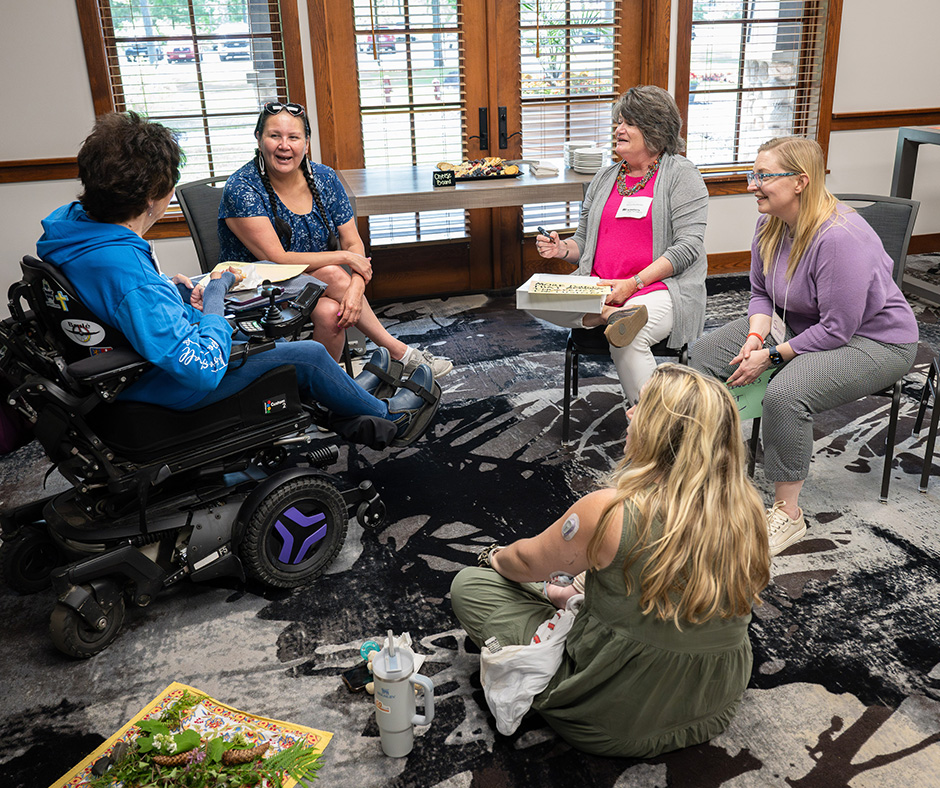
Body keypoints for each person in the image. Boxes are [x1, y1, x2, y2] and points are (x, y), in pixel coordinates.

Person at [35, 112, 438, 447]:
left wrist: (169, 292)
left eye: (294, 136)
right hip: (161, 388)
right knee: (307, 355)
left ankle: (348, 400)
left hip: (130, 367)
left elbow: (122, 299)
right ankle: (390, 419)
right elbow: (202, 368)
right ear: (158, 194)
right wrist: (213, 295)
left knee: (281, 338)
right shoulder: (127, 270)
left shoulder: (72, 227)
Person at [451, 364, 771, 758]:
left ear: (662, 430)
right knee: (570, 588)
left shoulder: (609, 511)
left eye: (641, 406)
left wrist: (492, 556)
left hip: (608, 721)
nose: (630, 413)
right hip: (711, 710)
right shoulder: (749, 509)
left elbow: (521, 562)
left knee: (471, 585)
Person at [690, 136, 919, 554]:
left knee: (786, 394)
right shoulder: (769, 222)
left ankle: (788, 513)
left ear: (800, 181)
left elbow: (837, 329)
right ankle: (713, 468)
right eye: (751, 174)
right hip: (798, 324)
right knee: (704, 356)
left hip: (874, 340)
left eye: (762, 176)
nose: (750, 185)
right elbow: (760, 293)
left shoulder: (839, 237)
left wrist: (771, 356)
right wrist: (756, 337)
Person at [218, 101, 452, 376]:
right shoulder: (242, 188)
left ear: (306, 142)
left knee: (332, 315)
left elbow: (353, 243)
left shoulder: (325, 179)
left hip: (314, 285)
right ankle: (401, 353)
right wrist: (344, 260)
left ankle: (316, 389)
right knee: (331, 271)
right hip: (256, 291)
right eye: (274, 136)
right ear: (259, 140)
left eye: (293, 137)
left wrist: (355, 288)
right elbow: (278, 259)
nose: (284, 145)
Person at [529, 85, 708, 405]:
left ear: (655, 129)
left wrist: (633, 283)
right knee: (532, 296)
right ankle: (610, 314)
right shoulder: (604, 177)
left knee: (630, 338)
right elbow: (583, 241)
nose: (618, 129)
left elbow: (687, 247)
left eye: (629, 123)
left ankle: (650, 422)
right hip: (602, 290)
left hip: (658, 290)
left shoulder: (682, 174)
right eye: (618, 122)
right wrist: (562, 249)